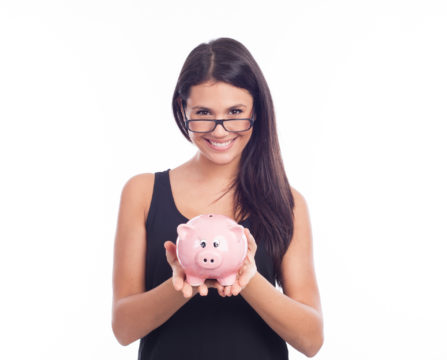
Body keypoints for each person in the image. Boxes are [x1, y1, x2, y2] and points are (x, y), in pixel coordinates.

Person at [111, 37, 323, 359]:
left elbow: (311, 340)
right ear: (183, 110)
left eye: (235, 111)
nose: (220, 131)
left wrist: (248, 280)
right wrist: (181, 284)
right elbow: (123, 329)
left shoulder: (288, 204)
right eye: (203, 113)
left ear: (256, 111)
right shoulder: (142, 193)